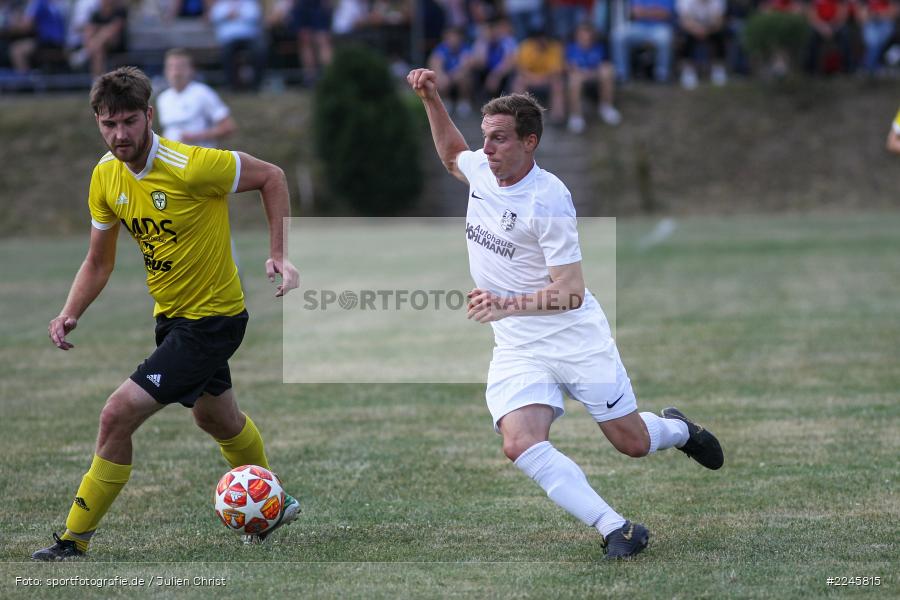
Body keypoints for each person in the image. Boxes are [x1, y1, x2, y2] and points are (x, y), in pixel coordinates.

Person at [407, 67, 724, 559]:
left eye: (499, 140)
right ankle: (615, 527)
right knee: (519, 442)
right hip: (518, 344)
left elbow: (571, 291)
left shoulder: (548, 199)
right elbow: (452, 154)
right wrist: (431, 99)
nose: (486, 149)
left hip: (575, 337)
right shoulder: (482, 173)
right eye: (485, 138)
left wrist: (504, 303)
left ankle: (678, 429)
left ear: (529, 142)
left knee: (632, 443)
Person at [31, 66, 301, 561]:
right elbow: (98, 260)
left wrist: (280, 253)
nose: (120, 134)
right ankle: (275, 502)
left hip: (214, 321)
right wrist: (70, 311)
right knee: (217, 419)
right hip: (172, 319)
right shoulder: (105, 176)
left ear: (149, 115)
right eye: (109, 124)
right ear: (97, 121)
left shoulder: (192, 164)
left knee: (116, 415)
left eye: (130, 121)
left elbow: (272, 177)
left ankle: (73, 538)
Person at [156, 49, 237, 148]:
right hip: (173, 160)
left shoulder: (203, 93)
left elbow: (228, 127)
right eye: (171, 67)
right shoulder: (163, 98)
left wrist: (196, 136)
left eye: (180, 67)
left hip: (201, 159)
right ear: (165, 71)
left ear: (191, 70)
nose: (176, 72)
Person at [565, 21, 621, 134]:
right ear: (577, 35)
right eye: (582, 35)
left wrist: (591, 72)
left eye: (588, 35)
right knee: (574, 78)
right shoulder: (570, 48)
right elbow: (569, 67)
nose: (586, 38)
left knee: (607, 70)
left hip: (594, 75)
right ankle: (576, 116)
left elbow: (603, 64)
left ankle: (606, 107)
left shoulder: (598, 47)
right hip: (579, 77)